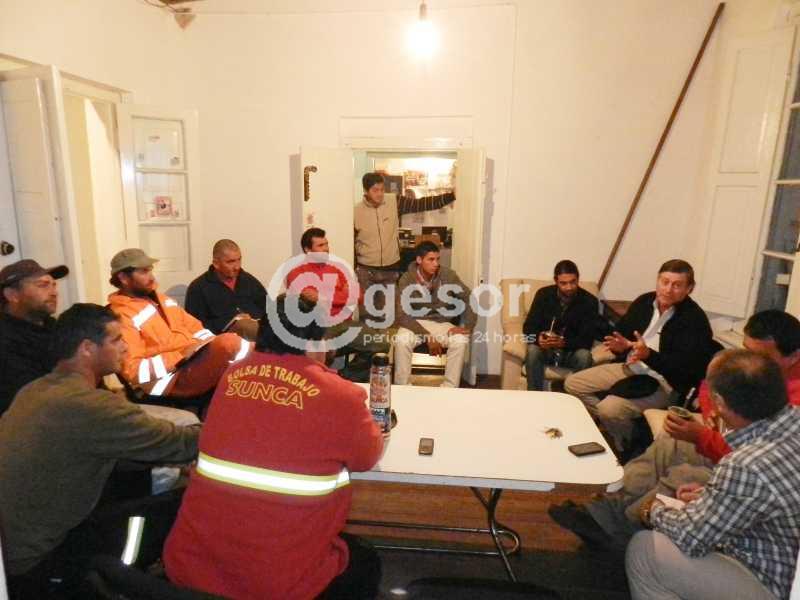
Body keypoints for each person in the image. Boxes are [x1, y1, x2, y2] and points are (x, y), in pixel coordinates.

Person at [164, 294, 384, 600]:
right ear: (313, 343)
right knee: (365, 560)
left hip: (192, 566)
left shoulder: (232, 377)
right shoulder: (339, 395)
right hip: (273, 581)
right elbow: (366, 457)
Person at [551, 310, 800, 549]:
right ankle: (604, 510)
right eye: (746, 350)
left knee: (684, 474)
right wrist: (713, 411)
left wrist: (702, 435)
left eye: (760, 355)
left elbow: (754, 460)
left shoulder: (788, 394)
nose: (750, 360)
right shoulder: (758, 371)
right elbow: (709, 385)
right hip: (730, 447)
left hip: (746, 469)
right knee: (668, 445)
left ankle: (620, 531)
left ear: (793, 356)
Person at [0, 304, 200, 599]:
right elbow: (180, 443)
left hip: (10, 553)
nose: (125, 347)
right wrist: (230, 425)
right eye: (116, 339)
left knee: (138, 478)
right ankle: (116, 581)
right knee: (179, 503)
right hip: (38, 562)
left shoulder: (35, 390)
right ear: (87, 348)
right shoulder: (91, 406)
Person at [626, 349, 800, 600]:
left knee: (644, 549)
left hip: (773, 583)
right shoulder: (791, 423)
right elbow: (769, 496)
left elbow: (691, 538)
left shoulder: (746, 465)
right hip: (784, 556)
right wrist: (709, 495)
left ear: (719, 402)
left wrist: (651, 510)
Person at [564, 259, 714, 452]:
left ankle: (628, 446)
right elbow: (623, 334)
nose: (668, 289)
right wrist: (619, 346)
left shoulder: (695, 320)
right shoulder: (644, 301)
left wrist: (648, 355)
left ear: (689, 288)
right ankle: (622, 430)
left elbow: (685, 371)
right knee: (573, 384)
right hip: (631, 366)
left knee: (608, 409)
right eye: (665, 282)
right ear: (657, 280)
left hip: (664, 383)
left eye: (677, 285)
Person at [107, 248, 251, 399]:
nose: (151, 277)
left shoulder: (162, 300)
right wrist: (181, 355)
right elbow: (132, 370)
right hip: (167, 380)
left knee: (248, 347)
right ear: (123, 277)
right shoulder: (121, 316)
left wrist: (208, 346)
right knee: (229, 344)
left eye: (150, 270)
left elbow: (196, 328)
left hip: (192, 362)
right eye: (144, 272)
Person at [286, 227, 389, 382]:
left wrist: (323, 296)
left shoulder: (337, 269)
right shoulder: (296, 273)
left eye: (326, 244)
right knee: (319, 350)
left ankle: (344, 377)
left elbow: (359, 296)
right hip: (318, 327)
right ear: (307, 249)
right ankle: (324, 381)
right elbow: (308, 302)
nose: (326, 249)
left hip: (345, 324)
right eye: (320, 245)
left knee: (382, 345)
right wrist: (342, 294)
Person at [354, 172, 455, 312]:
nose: (380, 194)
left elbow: (421, 204)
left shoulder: (394, 201)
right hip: (366, 271)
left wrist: (451, 196)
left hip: (390, 270)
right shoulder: (356, 211)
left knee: (389, 313)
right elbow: (352, 242)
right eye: (375, 190)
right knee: (367, 312)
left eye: (382, 189)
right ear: (366, 191)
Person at [393, 241, 476, 388]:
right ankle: (402, 387)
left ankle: (449, 388)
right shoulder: (406, 279)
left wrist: (467, 327)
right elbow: (401, 315)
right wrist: (427, 336)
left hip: (441, 323)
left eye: (438, 259)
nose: (436, 264)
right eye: (431, 259)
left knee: (460, 340)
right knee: (401, 340)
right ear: (419, 260)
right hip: (415, 323)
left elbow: (469, 297)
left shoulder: (448, 275)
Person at [0, 259, 68, 415]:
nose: (54, 292)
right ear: (12, 295)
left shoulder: (56, 327)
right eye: (43, 285)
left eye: (54, 285)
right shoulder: (5, 339)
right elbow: (33, 398)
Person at [523, 260, 598, 391]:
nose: (569, 287)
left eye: (573, 282)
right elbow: (528, 327)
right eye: (563, 283)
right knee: (533, 351)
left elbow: (587, 340)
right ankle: (534, 395)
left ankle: (574, 395)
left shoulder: (589, 301)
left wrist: (563, 343)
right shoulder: (543, 295)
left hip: (570, 351)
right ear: (556, 281)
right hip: (546, 350)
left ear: (578, 279)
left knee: (585, 356)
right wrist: (538, 339)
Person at [185, 239, 266, 341]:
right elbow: (194, 327)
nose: (237, 267)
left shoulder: (248, 280)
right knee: (245, 326)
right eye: (230, 262)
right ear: (216, 263)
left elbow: (268, 308)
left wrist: (252, 318)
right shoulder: (199, 288)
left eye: (239, 260)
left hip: (257, 331)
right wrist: (231, 321)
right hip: (223, 339)